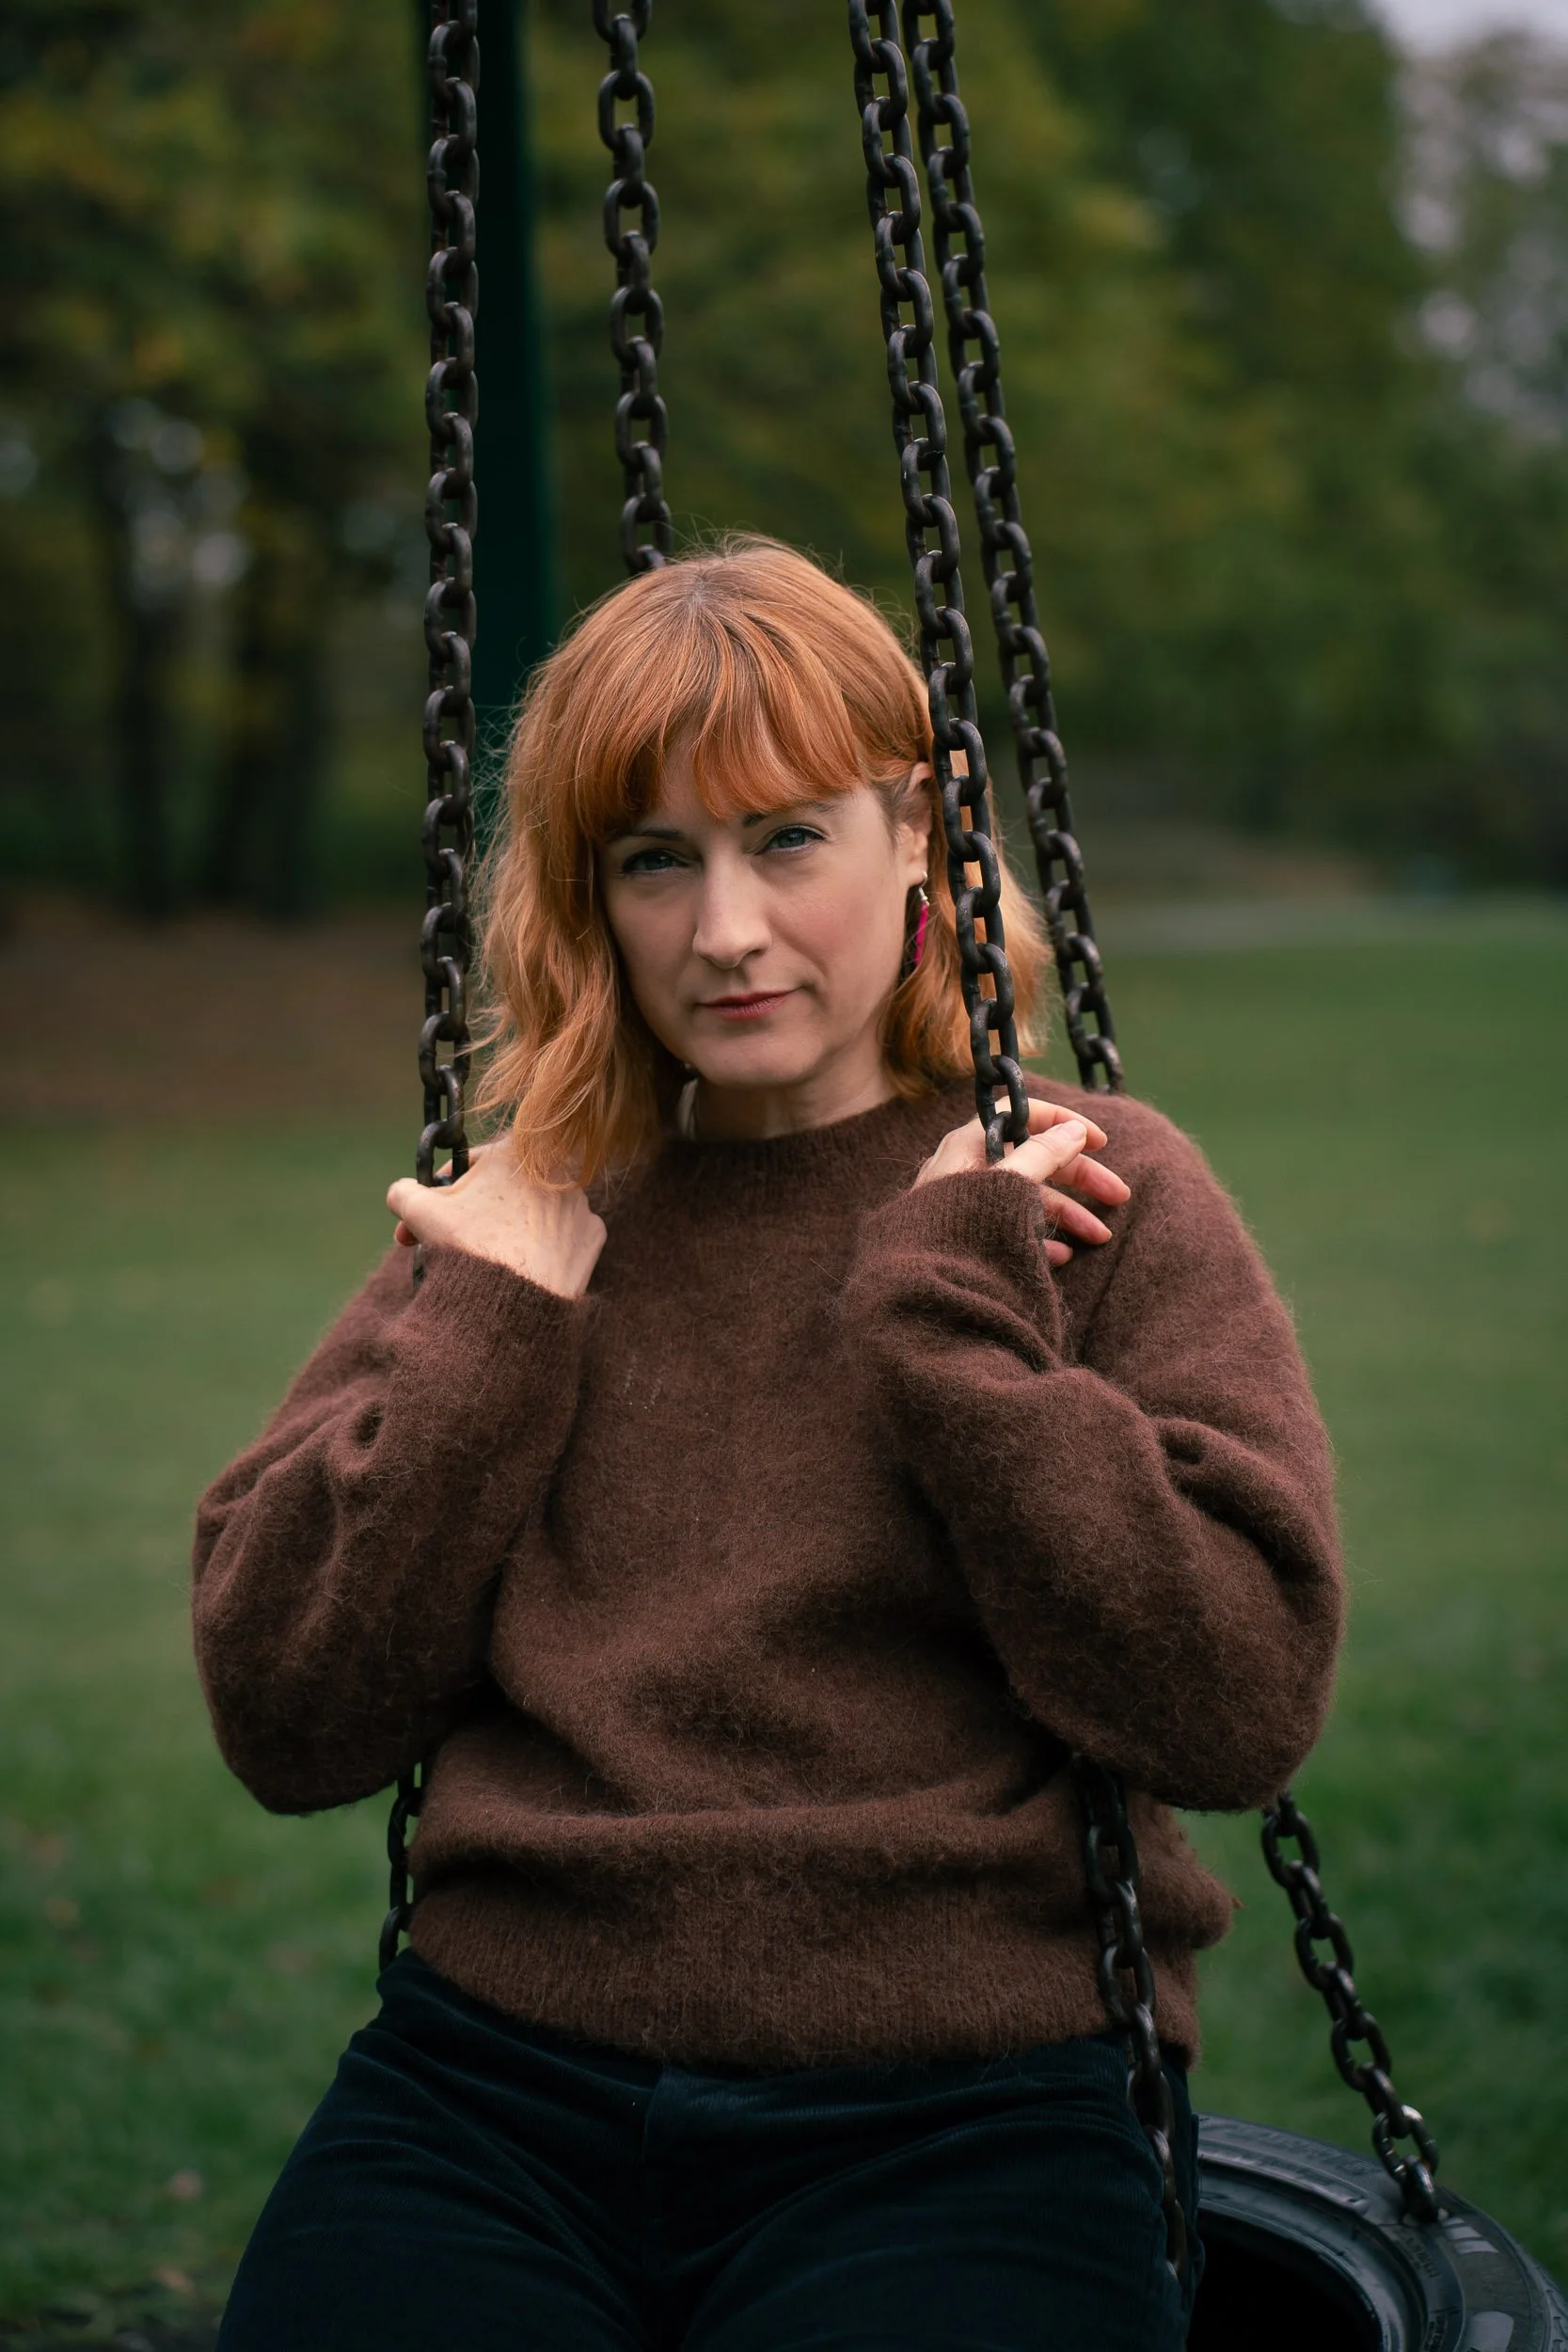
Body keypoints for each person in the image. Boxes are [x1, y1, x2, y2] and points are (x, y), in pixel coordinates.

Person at [194, 537, 1342, 2352]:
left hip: (965, 2109)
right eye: (657, 859)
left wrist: (950, 1325)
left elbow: (1232, 1703)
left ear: (927, 829)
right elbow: (287, 1715)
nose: (722, 931)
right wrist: (492, 1336)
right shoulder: (521, 1224)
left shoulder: (1086, 1187)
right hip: (494, 2097)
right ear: (593, 895)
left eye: (788, 837)